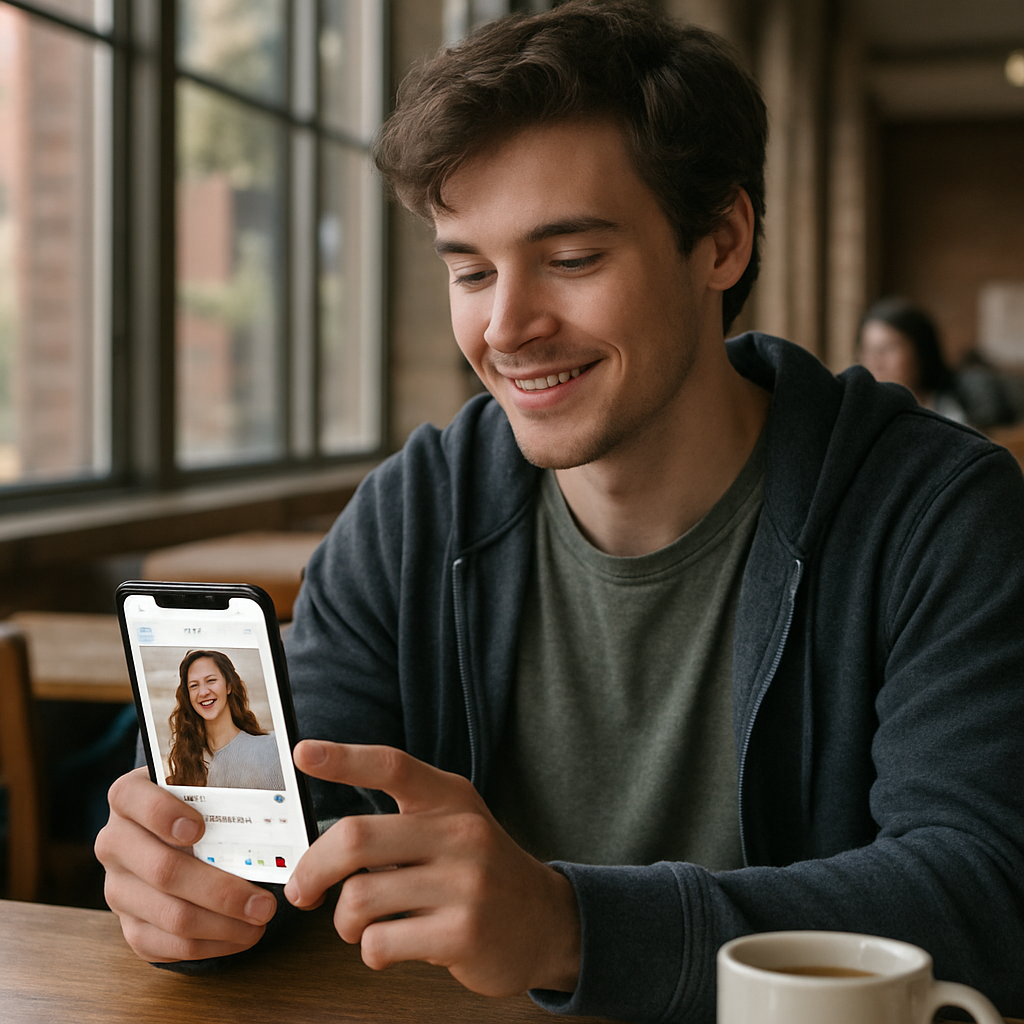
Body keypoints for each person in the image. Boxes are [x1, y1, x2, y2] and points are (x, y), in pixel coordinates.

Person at [95, 3, 1024, 1022]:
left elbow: (983, 890)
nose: (506, 327)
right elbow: (304, 819)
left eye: (572, 258)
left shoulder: (937, 514)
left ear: (721, 240)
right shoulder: (413, 514)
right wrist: (195, 883)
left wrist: (568, 926)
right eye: (470, 270)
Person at [166, 649, 285, 791]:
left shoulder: (272, 747)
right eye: (194, 685)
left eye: (211, 680)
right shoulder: (187, 762)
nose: (203, 692)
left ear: (229, 686)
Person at [855, 297, 969, 422]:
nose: (875, 362)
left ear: (921, 352)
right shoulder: (855, 417)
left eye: (888, 348)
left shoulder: (954, 416)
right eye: (868, 350)